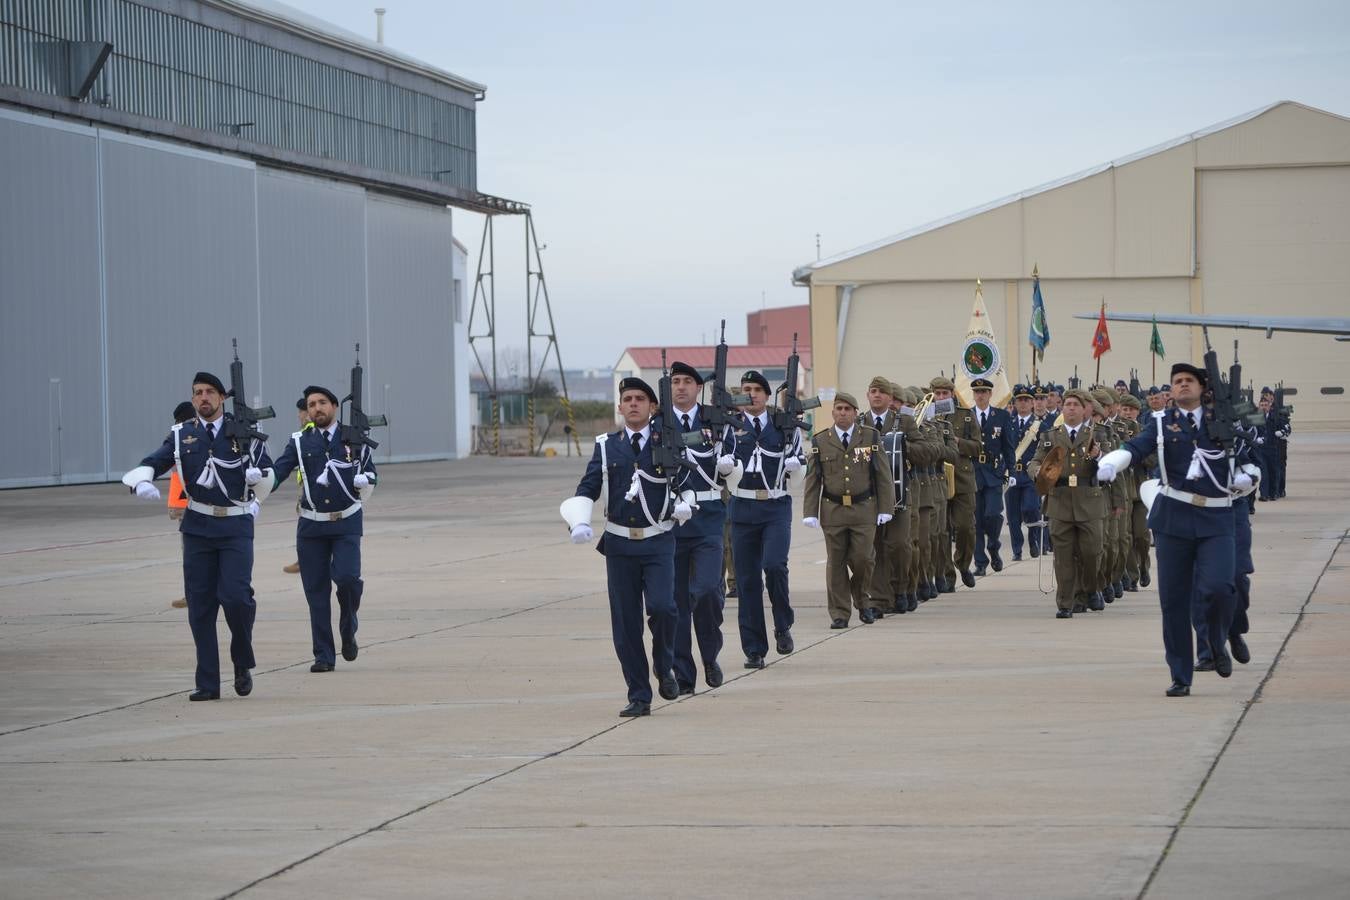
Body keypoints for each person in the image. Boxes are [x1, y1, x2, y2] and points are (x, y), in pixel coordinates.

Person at [1097, 362, 1258, 697]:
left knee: (1219, 587)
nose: (1182, 385)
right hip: (1174, 518)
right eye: (1176, 382)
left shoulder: (1223, 420)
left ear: (1202, 387)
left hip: (1217, 518)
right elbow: (1136, 447)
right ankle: (1181, 674)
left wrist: (1248, 478)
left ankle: (1217, 640)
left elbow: (1249, 459)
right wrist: (1114, 461)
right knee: (1173, 601)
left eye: (1188, 381)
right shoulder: (1158, 422)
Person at [122, 371, 274, 701]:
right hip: (198, 529)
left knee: (236, 598)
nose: (203, 397)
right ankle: (207, 682)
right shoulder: (183, 434)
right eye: (197, 393)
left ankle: (241, 661)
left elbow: (268, 472)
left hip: (235, 527)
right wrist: (144, 478)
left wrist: (258, 482)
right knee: (201, 607)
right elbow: (157, 459)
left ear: (221, 397)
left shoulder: (243, 431)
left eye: (209, 392)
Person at [563, 377, 688, 717]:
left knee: (664, 609)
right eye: (627, 399)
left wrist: (685, 504)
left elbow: (686, 483)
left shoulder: (669, 442)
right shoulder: (606, 445)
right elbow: (588, 486)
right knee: (626, 623)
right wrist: (579, 520)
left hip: (658, 540)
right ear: (620, 407)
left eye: (640, 399)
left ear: (652, 407)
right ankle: (639, 694)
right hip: (620, 546)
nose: (633, 403)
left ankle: (664, 666)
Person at [270, 385, 377, 673]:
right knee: (316, 592)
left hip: (346, 522)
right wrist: (259, 484)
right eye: (311, 404)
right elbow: (280, 469)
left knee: (347, 579)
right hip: (311, 525)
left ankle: (348, 623)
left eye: (322, 403)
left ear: (334, 406)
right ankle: (323, 655)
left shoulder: (353, 437)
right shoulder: (300, 441)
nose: (317, 408)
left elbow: (371, 472)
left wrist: (366, 480)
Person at [659, 360, 735, 694]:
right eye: (675, 381)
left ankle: (710, 655)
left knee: (706, 591)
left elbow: (735, 458)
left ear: (698, 387)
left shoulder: (715, 420)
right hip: (673, 519)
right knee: (674, 602)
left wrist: (729, 465)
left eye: (687, 381)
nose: (681, 387)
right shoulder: (659, 422)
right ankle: (684, 673)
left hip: (708, 517)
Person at [727, 370, 803, 668]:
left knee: (774, 566)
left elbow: (799, 467)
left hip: (775, 506)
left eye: (757, 389)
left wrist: (797, 466)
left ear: (767, 396)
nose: (752, 394)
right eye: (746, 389)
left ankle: (782, 624)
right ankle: (754, 648)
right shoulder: (730, 428)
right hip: (743, 508)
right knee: (746, 581)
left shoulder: (784, 427)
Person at [803, 392, 895, 627]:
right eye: (839, 408)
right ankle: (840, 613)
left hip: (864, 509)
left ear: (855, 413)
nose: (842, 412)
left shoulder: (870, 437)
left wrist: (886, 507)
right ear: (832, 412)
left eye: (847, 409)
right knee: (836, 563)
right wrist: (810, 512)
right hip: (833, 511)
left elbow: (883, 475)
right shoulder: (821, 440)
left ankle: (862, 600)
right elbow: (813, 479)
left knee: (864, 559)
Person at [1029, 389, 1106, 617]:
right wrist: (1038, 473)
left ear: (1084, 411)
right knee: (1063, 557)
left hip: (1088, 501)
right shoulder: (1051, 436)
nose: (1071, 408)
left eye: (1076, 404)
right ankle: (1065, 603)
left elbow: (1112, 465)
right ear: (1063, 409)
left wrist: (1098, 455)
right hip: (1060, 501)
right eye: (1068, 404)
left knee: (1091, 553)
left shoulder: (1097, 436)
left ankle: (1090, 590)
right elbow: (1035, 462)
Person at [930, 376, 980, 589]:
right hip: (937, 478)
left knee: (965, 527)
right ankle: (947, 575)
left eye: (945, 393)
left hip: (962, 478)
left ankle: (963, 563)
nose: (941, 397)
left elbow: (978, 448)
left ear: (952, 394)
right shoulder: (926, 417)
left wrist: (957, 441)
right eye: (937, 393)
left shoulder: (966, 416)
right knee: (941, 531)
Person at [970, 377, 1014, 575]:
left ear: (990, 394)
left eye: (984, 392)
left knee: (993, 514)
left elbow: (1008, 446)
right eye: (977, 392)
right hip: (973, 475)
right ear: (974, 395)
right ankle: (980, 562)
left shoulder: (1002, 416)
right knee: (977, 520)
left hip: (994, 473)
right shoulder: (967, 416)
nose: (980, 395)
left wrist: (1012, 471)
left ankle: (993, 546)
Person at [1006, 385, 1044, 561]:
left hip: (1030, 476)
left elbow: (1045, 449)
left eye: (1027, 400)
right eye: (1019, 400)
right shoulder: (1008, 424)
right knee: (1013, 516)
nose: (1023, 403)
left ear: (1032, 403)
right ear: (1014, 403)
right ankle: (1017, 549)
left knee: (1031, 508)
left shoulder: (1039, 426)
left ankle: (1034, 537)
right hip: (1012, 474)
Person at [283, 397, 313, 575]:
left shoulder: (308, 430)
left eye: (300, 412)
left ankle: (303, 560)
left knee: (306, 525)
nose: (299, 416)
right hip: (307, 485)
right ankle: (303, 560)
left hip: (311, 485)